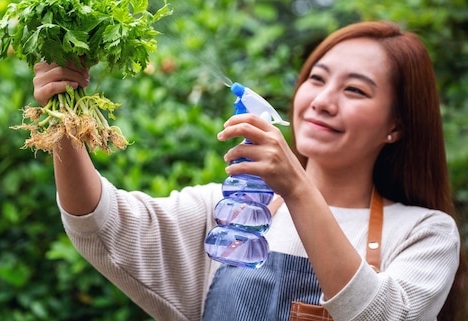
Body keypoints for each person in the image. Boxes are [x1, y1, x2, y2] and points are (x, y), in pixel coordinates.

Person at [31, 21, 465, 320]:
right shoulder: (229, 211)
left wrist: (296, 186)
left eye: (354, 89)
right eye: (317, 78)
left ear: (396, 126)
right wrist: (63, 119)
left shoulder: (424, 233)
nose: (323, 100)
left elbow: (384, 315)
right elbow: (100, 224)